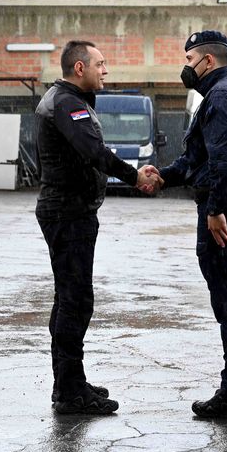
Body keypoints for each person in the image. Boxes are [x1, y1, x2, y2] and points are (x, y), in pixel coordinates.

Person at [35, 40, 161, 415]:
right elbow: (95, 153)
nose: (105, 71)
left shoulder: (70, 99)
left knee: (70, 300)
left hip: (71, 211)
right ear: (79, 68)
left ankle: (69, 382)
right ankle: (71, 393)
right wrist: (134, 176)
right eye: (100, 65)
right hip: (67, 213)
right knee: (75, 301)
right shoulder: (66, 103)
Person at [156, 31, 227, 420]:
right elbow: (196, 160)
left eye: (189, 59)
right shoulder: (221, 96)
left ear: (207, 61)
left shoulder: (221, 98)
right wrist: (162, 177)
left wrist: (216, 210)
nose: (185, 67)